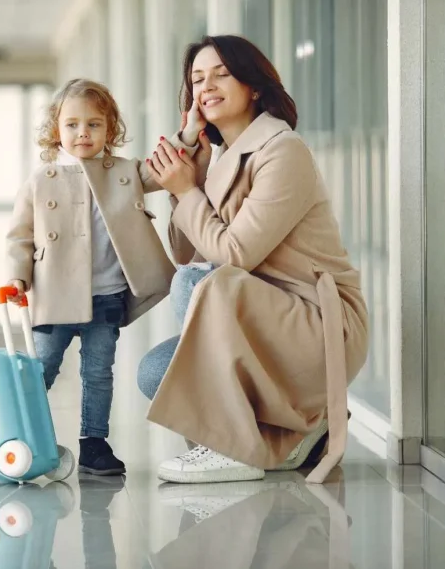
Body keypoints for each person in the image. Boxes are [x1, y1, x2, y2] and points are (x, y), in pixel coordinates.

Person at [137, 35, 370, 484]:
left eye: (222, 73)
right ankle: (300, 434)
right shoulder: (223, 158)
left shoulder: (283, 150)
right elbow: (186, 254)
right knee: (156, 373)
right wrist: (193, 175)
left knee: (201, 286)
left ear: (255, 86)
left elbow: (235, 256)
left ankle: (232, 445)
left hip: (318, 322)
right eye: (198, 78)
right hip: (263, 314)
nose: (207, 85)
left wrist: (187, 192)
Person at [4, 78, 203, 476]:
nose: (83, 133)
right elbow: (20, 235)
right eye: (73, 125)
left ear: (109, 130)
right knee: (42, 367)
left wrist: (191, 132)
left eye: (94, 124)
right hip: (55, 295)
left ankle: (94, 443)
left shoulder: (125, 172)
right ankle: (21, 434)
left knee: (98, 372)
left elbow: (162, 166)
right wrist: (17, 278)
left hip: (106, 296)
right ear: (56, 131)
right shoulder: (41, 180)